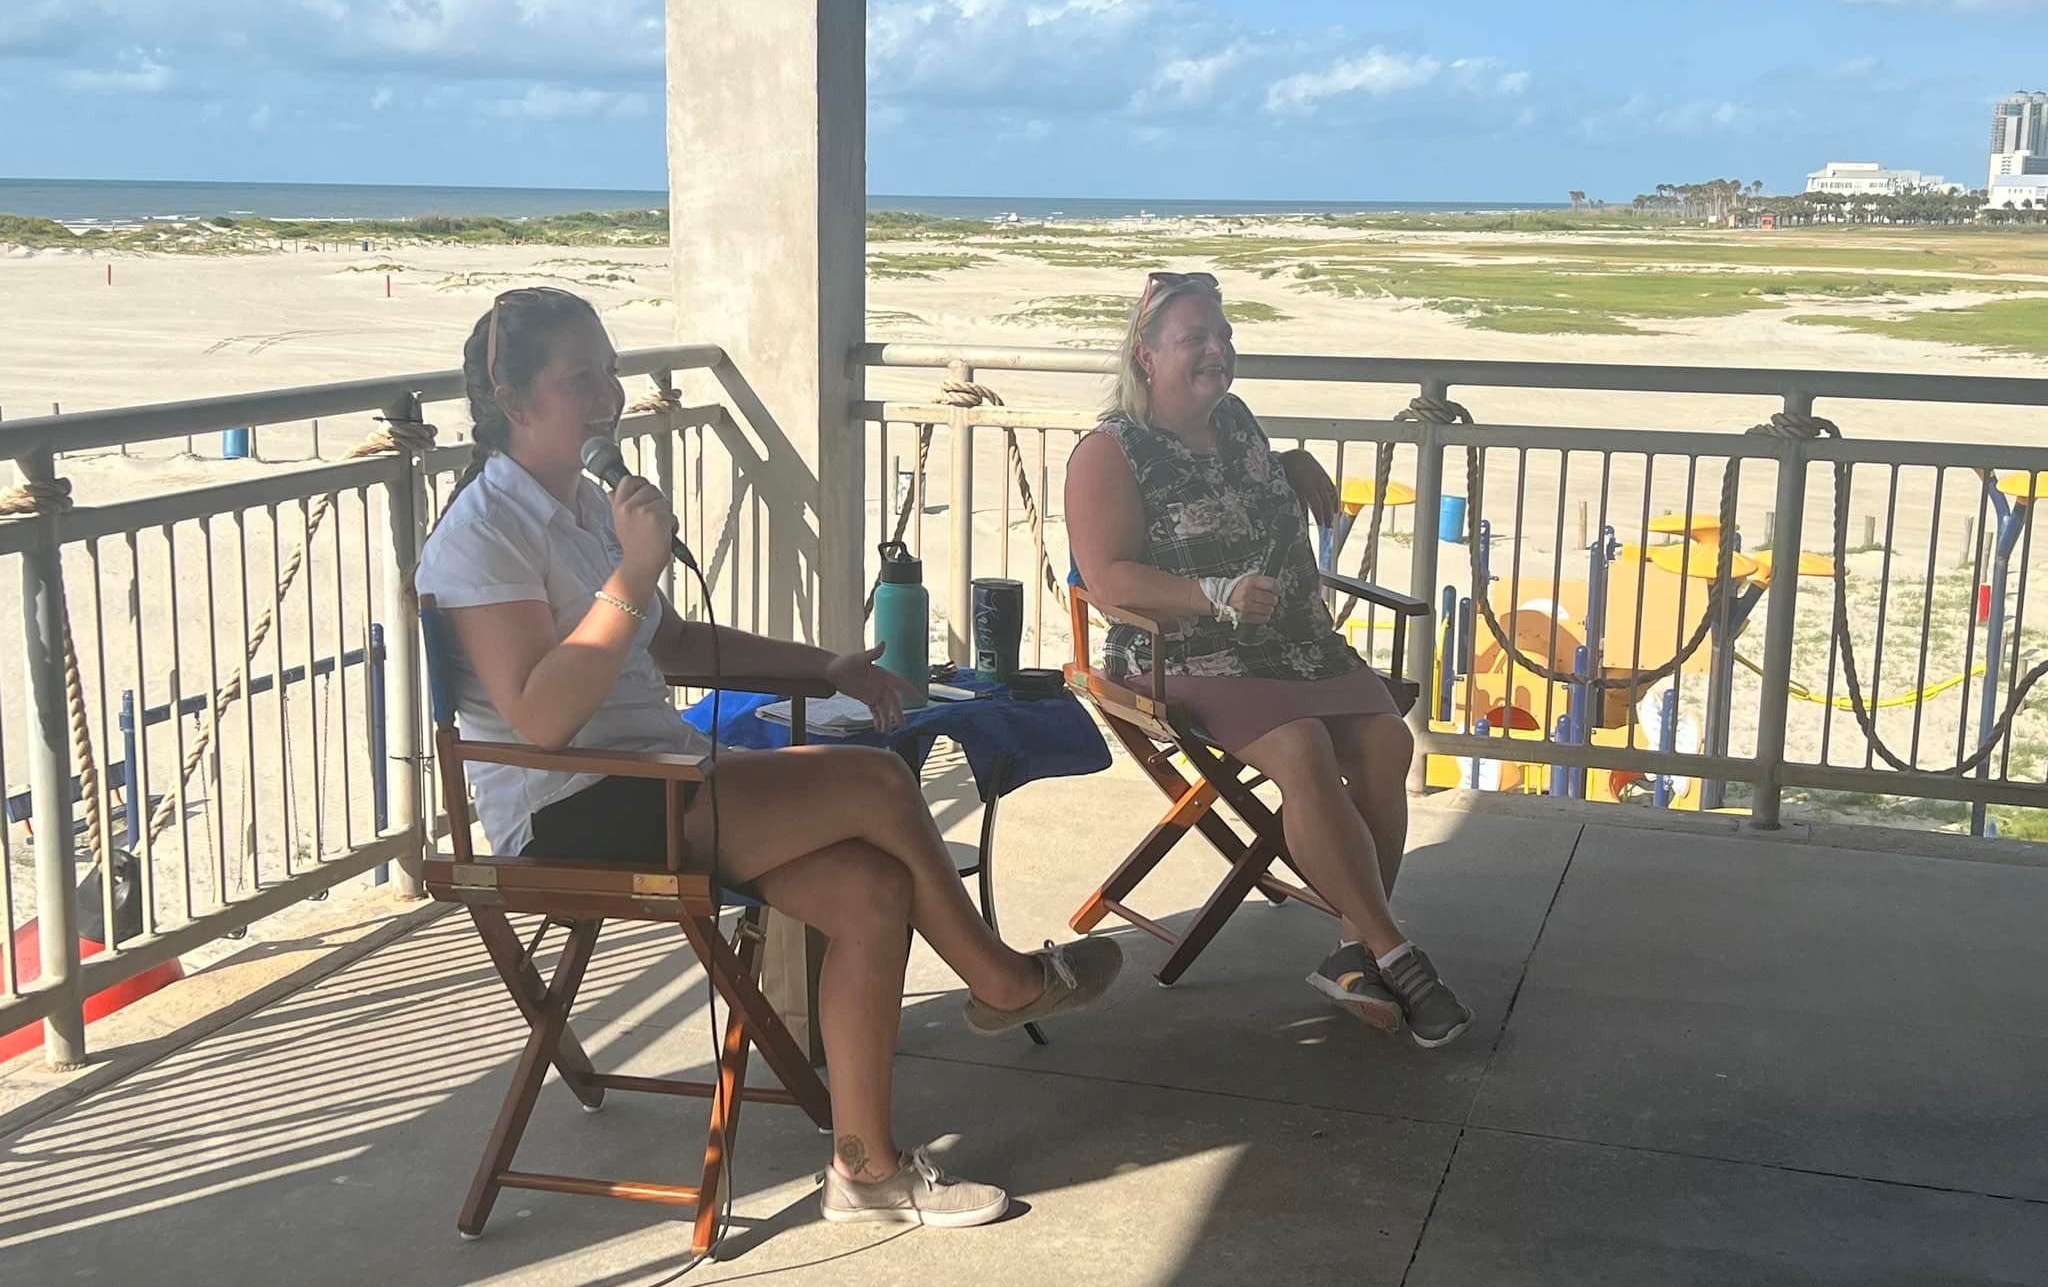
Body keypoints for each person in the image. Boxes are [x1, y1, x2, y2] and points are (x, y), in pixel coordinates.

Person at [415, 287, 1123, 1228]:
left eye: (609, 369)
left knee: (872, 888)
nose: (606, 395)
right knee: (874, 777)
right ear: (515, 398)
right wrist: (632, 572)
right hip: (570, 813)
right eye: (579, 376)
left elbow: (673, 647)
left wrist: (824, 663)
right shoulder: (484, 531)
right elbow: (540, 718)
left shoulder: (585, 507)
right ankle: (998, 979)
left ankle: (865, 1173)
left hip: (657, 783)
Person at [1064, 270, 1471, 1049]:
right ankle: (1395, 952)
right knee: (1302, 745)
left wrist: (1290, 462)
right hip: (1178, 653)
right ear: (1146, 354)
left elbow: (1222, 482)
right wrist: (1211, 594)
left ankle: (1352, 954)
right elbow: (1110, 577)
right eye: (1195, 339)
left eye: (1223, 337)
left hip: (1290, 641)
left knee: (1387, 742)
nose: (1217, 351)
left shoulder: (1237, 422)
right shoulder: (1109, 451)